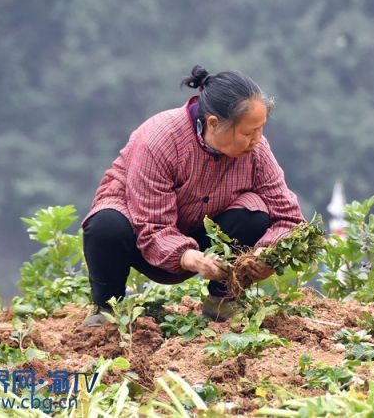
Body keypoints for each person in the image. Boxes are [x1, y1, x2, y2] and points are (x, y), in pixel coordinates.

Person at [80, 66, 305, 326]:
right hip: (141, 233)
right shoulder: (159, 140)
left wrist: (267, 256)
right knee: (106, 224)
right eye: (247, 133)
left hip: (202, 234)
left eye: (260, 129)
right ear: (213, 123)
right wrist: (190, 257)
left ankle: (223, 302)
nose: (257, 139)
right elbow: (153, 227)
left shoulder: (257, 150)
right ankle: (107, 308)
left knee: (254, 214)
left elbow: (288, 218)